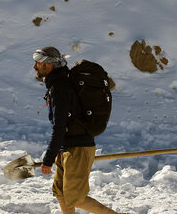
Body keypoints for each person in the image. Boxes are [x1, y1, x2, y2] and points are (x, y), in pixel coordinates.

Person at [33, 46, 122, 214]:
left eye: (38, 63)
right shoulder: (57, 85)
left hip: (78, 149)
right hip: (67, 147)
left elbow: (59, 126)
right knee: (60, 192)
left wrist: (48, 159)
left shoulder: (60, 88)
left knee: (76, 197)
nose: (34, 67)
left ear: (48, 65)